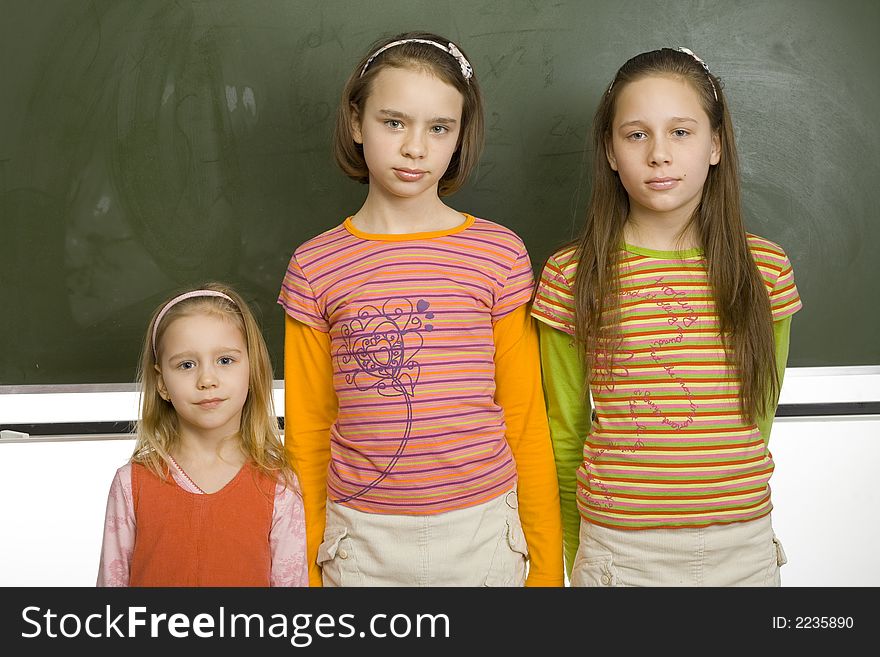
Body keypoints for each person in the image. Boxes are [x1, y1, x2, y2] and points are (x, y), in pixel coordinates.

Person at [278, 31, 562, 586]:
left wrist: (547, 573)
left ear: (460, 136)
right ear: (357, 123)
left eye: (439, 128)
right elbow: (308, 432)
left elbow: (526, 419)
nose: (415, 147)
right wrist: (305, 571)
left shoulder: (499, 255)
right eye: (393, 122)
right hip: (361, 543)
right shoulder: (316, 266)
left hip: (483, 536)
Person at [532, 48, 802, 586]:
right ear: (610, 151)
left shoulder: (764, 269)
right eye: (636, 135)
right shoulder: (572, 273)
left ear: (716, 145)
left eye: (681, 132)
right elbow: (564, 432)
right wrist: (574, 552)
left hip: (742, 547)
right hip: (619, 552)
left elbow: (758, 413)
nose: (659, 154)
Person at [97, 283, 308, 586]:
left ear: (252, 368)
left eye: (225, 360)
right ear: (162, 384)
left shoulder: (279, 485)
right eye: (186, 364)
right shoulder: (131, 484)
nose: (207, 379)